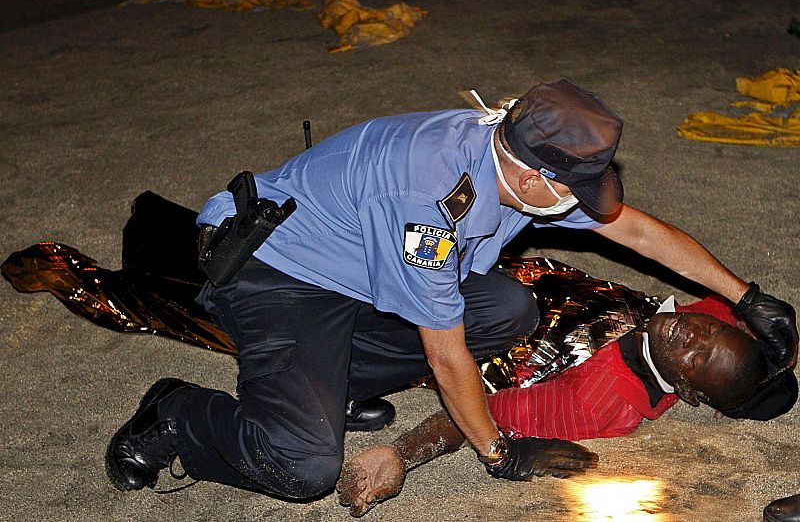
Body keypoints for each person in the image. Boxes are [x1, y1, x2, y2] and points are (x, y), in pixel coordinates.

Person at [104, 79, 798, 500]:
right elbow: (445, 356)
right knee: (301, 466)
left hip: (351, 260)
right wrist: (496, 451)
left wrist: (747, 296)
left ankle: (334, 380)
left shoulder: (525, 156)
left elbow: (636, 233)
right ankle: (174, 415)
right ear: (528, 176)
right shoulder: (431, 205)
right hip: (278, 270)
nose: (585, 202)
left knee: (506, 307)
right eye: (574, 190)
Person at [336, 295, 798, 517]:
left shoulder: (600, 406)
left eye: (696, 360)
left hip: (435, 319)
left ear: (688, 392)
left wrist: (401, 453)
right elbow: (729, 308)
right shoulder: (707, 317)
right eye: (713, 331)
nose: (691, 334)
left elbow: (482, 411)